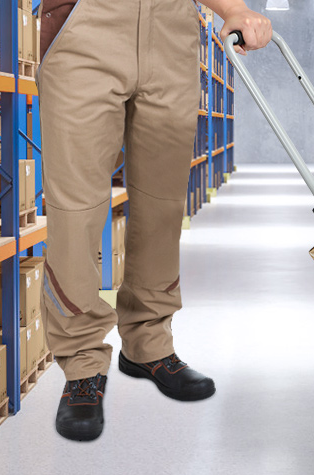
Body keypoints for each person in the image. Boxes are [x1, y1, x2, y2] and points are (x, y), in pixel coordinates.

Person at [38, 0, 273, 442]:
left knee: (161, 202)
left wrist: (234, 9)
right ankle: (83, 365)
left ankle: (149, 344)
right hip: (87, 24)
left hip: (171, 30)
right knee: (77, 208)